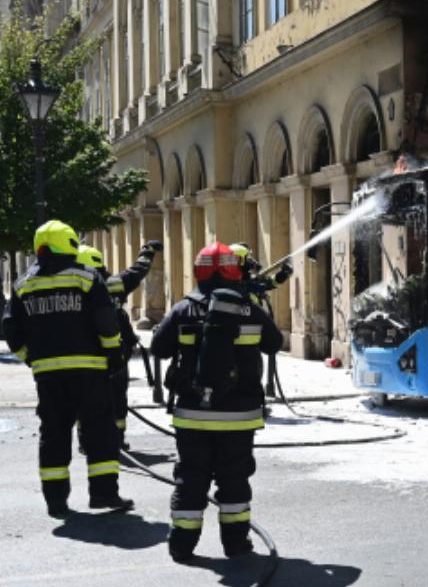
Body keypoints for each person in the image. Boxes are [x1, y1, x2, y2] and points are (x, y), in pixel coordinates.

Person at [152, 242, 283, 561]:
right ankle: (236, 545)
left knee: (191, 477)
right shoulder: (250, 308)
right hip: (240, 416)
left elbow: (159, 348)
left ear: (199, 271)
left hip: (192, 414)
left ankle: (182, 545)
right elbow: (275, 343)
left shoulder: (184, 308)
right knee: (234, 480)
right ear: (232, 270)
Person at [2, 220, 133, 517]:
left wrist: (32, 359)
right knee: (100, 431)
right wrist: (114, 355)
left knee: (54, 433)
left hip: (48, 375)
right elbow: (105, 321)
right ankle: (103, 494)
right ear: (69, 243)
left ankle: (56, 501)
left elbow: (11, 330)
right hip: (90, 371)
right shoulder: (86, 277)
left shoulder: (23, 284)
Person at [76, 241, 162, 449]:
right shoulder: (115, 283)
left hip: (85, 354)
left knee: (84, 399)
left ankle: (86, 440)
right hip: (116, 353)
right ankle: (117, 438)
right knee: (117, 397)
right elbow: (137, 270)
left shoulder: (73, 288)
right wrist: (147, 252)